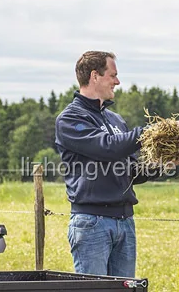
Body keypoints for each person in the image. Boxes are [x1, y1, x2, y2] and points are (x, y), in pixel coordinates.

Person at [54, 50, 144, 277]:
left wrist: (166, 163)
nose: (117, 81)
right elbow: (106, 148)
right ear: (95, 76)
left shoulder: (116, 120)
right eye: (112, 75)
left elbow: (132, 171)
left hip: (124, 222)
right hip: (92, 224)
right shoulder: (70, 119)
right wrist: (148, 133)